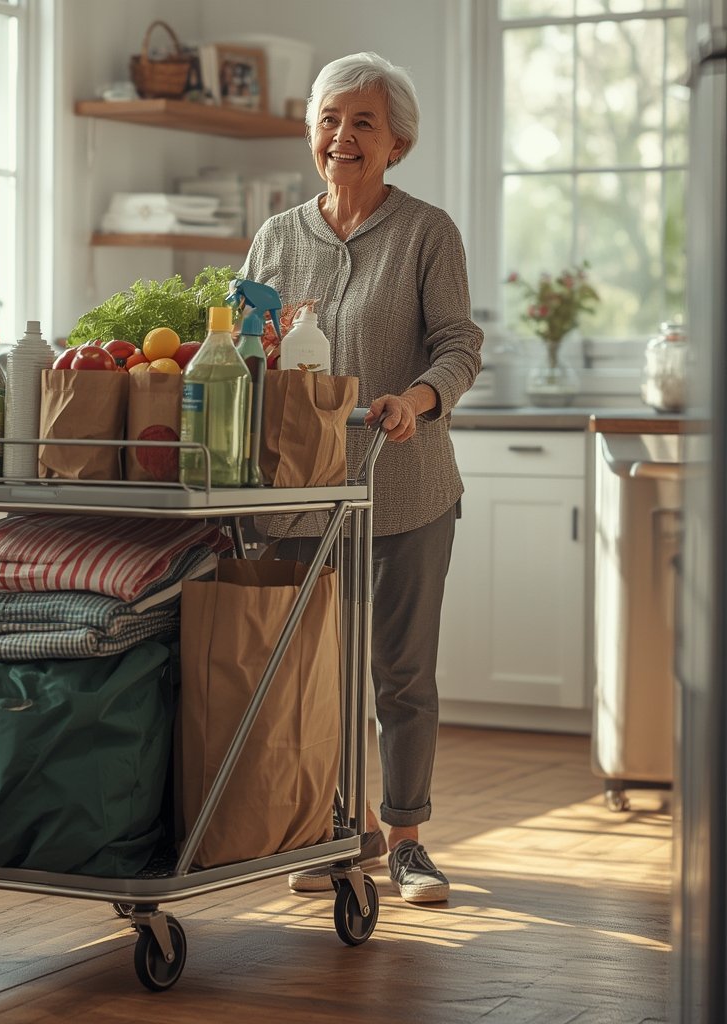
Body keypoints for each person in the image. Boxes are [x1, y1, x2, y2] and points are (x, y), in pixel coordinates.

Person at [240, 51, 482, 904]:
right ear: (312, 133)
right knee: (315, 673)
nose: (343, 136)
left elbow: (459, 344)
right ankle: (343, 829)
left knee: (401, 673)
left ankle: (407, 837)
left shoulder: (426, 232)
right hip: (302, 498)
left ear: (397, 144)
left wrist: (418, 399)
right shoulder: (275, 237)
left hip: (407, 489)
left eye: (364, 122)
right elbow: (247, 353)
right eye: (330, 120)